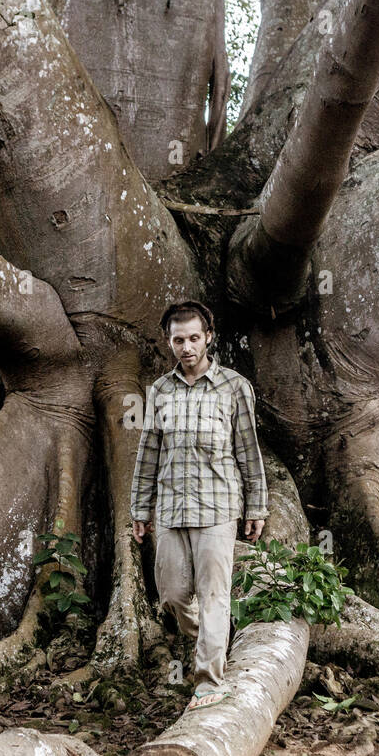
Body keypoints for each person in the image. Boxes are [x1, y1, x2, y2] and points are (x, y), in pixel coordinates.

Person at [129, 300, 269, 711]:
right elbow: (147, 451)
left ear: (208, 337)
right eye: (178, 339)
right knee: (173, 594)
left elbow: (248, 450)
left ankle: (209, 681)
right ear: (169, 342)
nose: (186, 347)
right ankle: (208, 643)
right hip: (171, 509)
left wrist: (256, 507)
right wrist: (140, 509)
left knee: (213, 595)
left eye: (194, 338)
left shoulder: (234, 387)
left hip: (218, 506)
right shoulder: (160, 390)